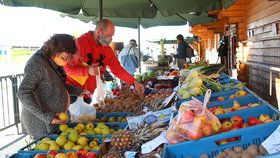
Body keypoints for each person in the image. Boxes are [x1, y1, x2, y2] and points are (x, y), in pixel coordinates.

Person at [17, 34, 86, 139]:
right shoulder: (37, 64)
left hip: (56, 119)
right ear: (54, 51)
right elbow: (23, 93)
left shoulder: (53, 61)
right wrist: (47, 116)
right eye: (64, 58)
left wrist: (78, 91)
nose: (66, 62)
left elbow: (57, 85)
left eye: (68, 59)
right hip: (41, 124)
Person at [64, 19, 144, 104]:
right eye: (109, 35)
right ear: (99, 32)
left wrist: (134, 82)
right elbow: (66, 69)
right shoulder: (79, 44)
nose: (110, 39)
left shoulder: (107, 50)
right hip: (74, 94)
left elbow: (118, 69)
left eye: (112, 36)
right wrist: (87, 71)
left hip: (92, 95)